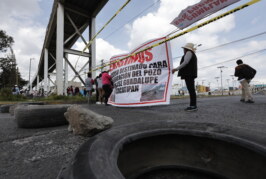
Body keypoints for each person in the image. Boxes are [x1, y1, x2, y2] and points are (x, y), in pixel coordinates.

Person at [172, 43, 198, 112]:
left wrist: (176, 69)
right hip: (190, 74)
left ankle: (193, 106)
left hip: (189, 74)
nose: (183, 50)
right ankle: (193, 105)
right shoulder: (192, 53)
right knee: (191, 90)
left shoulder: (189, 52)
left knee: (191, 90)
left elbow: (185, 62)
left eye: (184, 49)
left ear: (186, 49)